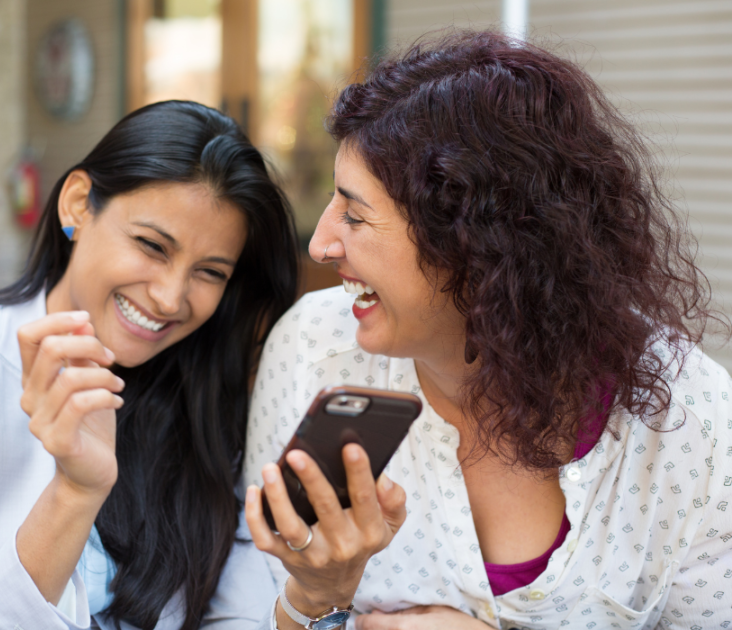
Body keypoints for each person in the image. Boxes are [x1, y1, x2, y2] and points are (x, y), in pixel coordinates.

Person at [242, 30, 732, 630]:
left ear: (480, 248)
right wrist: (316, 599)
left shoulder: (689, 418)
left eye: (356, 213)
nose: (320, 244)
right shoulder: (310, 352)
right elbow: (247, 613)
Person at [0, 100, 299, 630]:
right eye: (152, 245)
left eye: (210, 272)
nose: (171, 297)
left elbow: (240, 618)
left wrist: (314, 596)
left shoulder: (205, 402)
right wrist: (74, 494)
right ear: (79, 205)